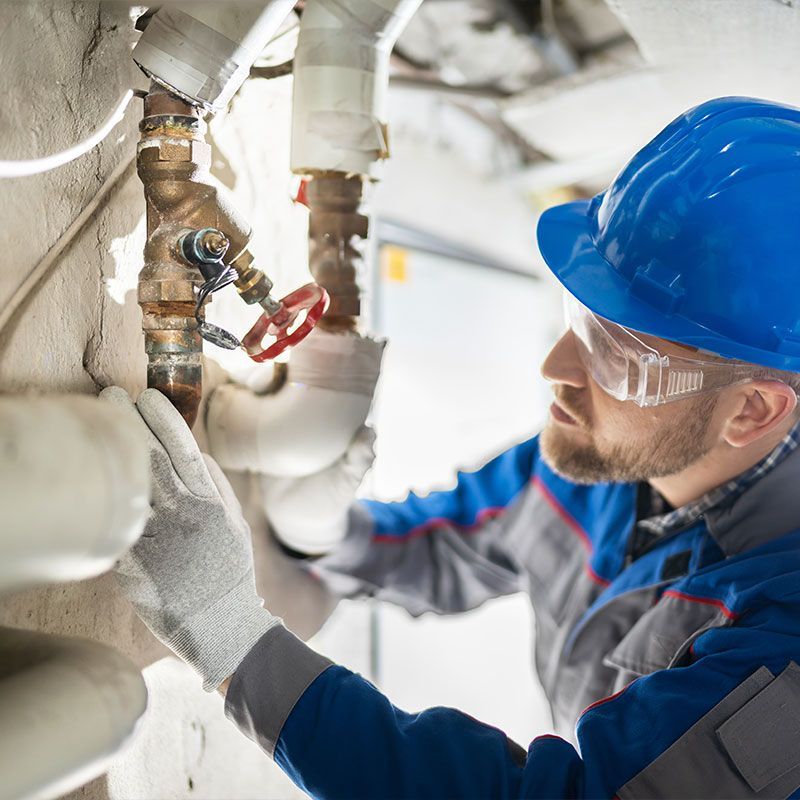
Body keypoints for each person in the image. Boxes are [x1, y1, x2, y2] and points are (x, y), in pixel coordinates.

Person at [103, 96, 800, 799]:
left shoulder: (786, 644)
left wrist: (232, 639)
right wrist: (321, 528)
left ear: (753, 409)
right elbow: (446, 546)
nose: (557, 367)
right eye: (579, 315)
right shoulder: (592, 466)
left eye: (619, 355)